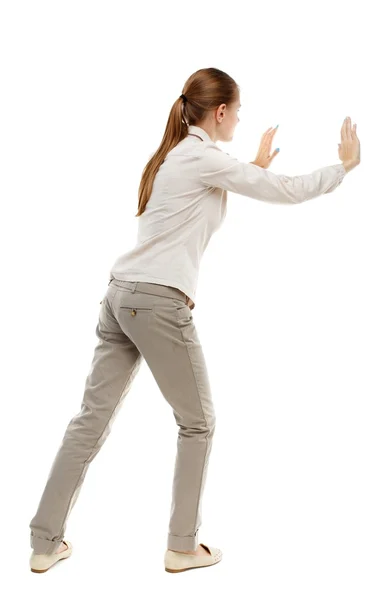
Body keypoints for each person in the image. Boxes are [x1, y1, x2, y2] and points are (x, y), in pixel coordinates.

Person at [29, 67, 361, 574]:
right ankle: (182, 546)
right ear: (221, 111)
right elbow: (286, 190)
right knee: (198, 422)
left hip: (121, 296)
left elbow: (206, 197)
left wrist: (252, 165)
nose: (240, 119)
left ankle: (44, 542)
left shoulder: (177, 155)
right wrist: (343, 167)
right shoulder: (202, 157)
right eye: (238, 111)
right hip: (156, 302)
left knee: (89, 421)